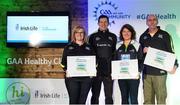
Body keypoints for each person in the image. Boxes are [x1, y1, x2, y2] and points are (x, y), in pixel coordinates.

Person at [139, 14, 179, 104]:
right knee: (148, 101)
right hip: (146, 73)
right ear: (146, 22)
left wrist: (175, 65)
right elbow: (140, 55)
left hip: (160, 73)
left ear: (157, 21)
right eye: (149, 20)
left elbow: (171, 51)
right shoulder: (143, 36)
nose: (152, 22)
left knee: (161, 100)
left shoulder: (165, 35)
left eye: (154, 19)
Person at [61, 25, 95, 104]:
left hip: (86, 79)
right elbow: (63, 64)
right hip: (72, 79)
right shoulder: (68, 47)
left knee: (82, 102)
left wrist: (92, 72)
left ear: (84, 34)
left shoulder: (89, 47)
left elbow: (95, 63)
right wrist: (66, 71)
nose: (79, 34)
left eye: (81, 32)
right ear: (74, 34)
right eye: (77, 32)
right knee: (73, 101)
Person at [88, 15, 117, 104]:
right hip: (96, 71)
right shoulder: (92, 37)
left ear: (108, 23)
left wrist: (115, 70)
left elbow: (115, 54)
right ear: (98, 23)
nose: (103, 24)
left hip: (109, 71)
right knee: (95, 96)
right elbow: (90, 54)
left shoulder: (113, 37)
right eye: (101, 22)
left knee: (109, 96)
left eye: (105, 22)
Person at [115, 24, 143, 105]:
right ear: (121, 33)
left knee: (134, 99)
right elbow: (115, 60)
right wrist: (114, 72)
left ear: (132, 33)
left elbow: (141, 60)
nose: (126, 33)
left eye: (128, 31)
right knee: (124, 99)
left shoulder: (137, 45)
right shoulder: (118, 45)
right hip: (122, 76)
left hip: (134, 76)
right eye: (124, 31)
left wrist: (138, 71)